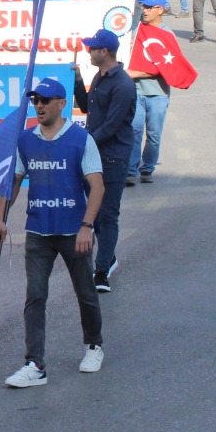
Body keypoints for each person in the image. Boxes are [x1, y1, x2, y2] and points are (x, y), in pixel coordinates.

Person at [0, 78, 105, 388]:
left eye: (45, 100)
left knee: (85, 293)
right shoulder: (25, 139)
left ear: (61, 103)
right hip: (38, 230)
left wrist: (87, 226)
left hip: (74, 232)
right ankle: (34, 365)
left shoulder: (81, 139)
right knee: (35, 296)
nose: (39, 105)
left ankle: (94, 346)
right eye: (35, 100)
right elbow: (13, 181)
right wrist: (0, 218)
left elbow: (97, 185)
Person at [72, 28, 136, 293]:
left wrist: (83, 145)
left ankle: (101, 271)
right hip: (94, 155)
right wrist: (77, 80)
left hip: (112, 158)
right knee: (95, 214)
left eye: (92, 48)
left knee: (107, 215)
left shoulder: (123, 84)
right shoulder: (100, 77)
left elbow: (111, 126)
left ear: (104, 52)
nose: (89, 51)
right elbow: (87, 107)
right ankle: (108, 256)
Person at [127, 0, 172, 185]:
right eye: (143, 7)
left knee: (153, 134)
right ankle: (130, 171)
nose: (144, 11)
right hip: (136, 91)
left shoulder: (167, 34)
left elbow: (166, 66)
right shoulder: (137, 30)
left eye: (149, 8)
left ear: (160, 10)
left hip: (158, 92)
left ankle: (147, 169)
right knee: (134, 131)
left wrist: (135, 73)